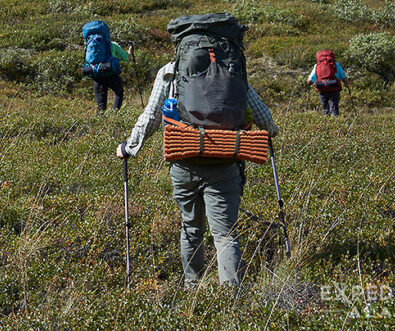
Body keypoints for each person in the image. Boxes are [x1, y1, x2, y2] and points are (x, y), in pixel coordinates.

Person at [115, 62, 279, 287]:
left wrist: (129, 147)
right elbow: (260, 111)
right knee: (225, 234)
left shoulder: (170, 71)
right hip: (225, 162)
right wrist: (270, 129)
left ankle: (193, 287)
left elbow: (151, 115)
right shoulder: (231, 69)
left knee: (191, 227)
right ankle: (230, 299)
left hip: (183, 161)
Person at [93, 41, 131, 115]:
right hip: (112, 75)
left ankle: (99, 122)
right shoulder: (113, 45)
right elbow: (127, 58)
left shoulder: (92, 45)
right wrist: (130, 50)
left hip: (98, 76)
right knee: (119, 93)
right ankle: (114, 115)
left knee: (101, 105)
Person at [308, 51, 349, 116]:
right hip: (334, 89)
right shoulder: (336, 65)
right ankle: (335, 123)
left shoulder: (317, 66)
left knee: (325, 109)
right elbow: (343, 77)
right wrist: (347, 84)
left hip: (322, 89)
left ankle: (326, 123)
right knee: (334, 109)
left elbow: (309, 81)